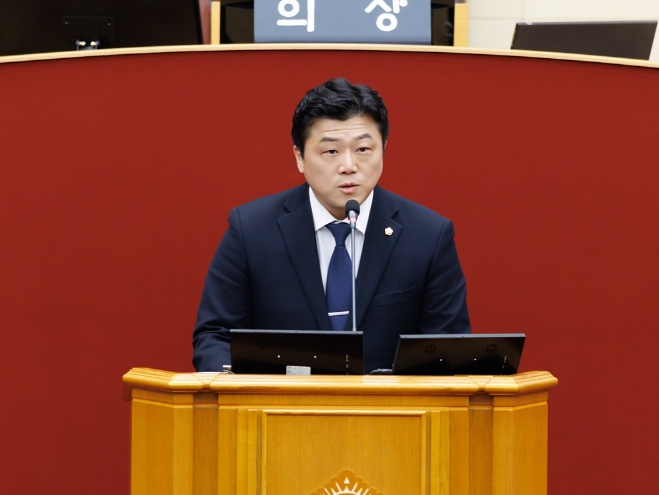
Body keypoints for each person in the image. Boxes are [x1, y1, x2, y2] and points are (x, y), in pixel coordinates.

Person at [193, 78, 470, 373]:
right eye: (331, 152)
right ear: (300, 157)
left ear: (384, 149)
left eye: (363, 149)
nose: (349, 166)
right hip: (281, 401)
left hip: (387, 402)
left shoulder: (428, 235)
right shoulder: (251, 230)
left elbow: (447, 349)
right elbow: (215, 336)